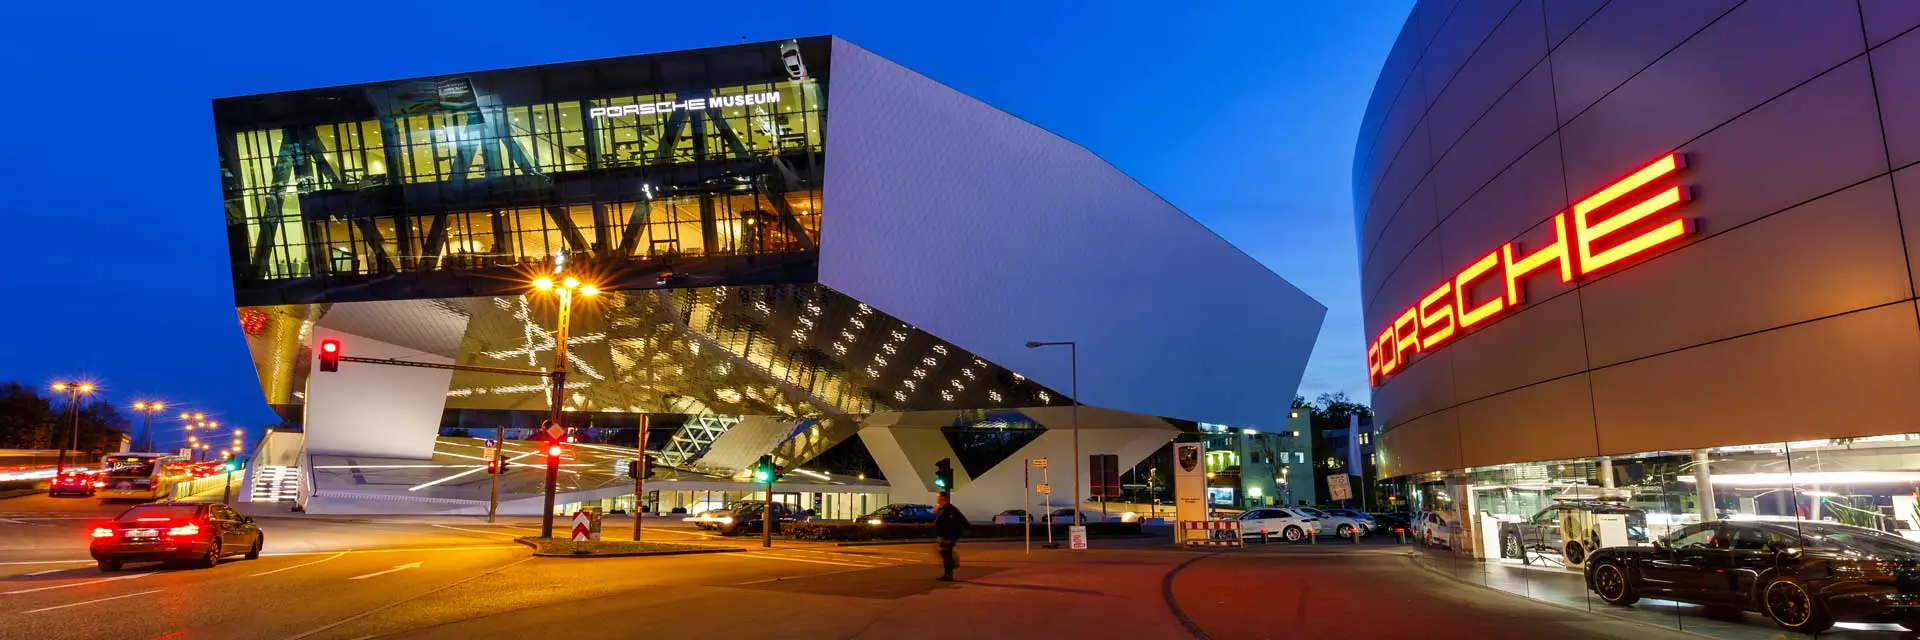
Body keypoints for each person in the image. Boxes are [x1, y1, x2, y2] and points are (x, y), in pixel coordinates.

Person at [933, 492, 969, 581]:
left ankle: (949, 573)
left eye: (938, 497)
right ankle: (949, 571)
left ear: (943, 498)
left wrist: (950, 537)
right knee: (944, 553)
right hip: (944, 536)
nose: (937, 498)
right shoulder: (942, 509)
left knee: (946, 554)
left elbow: (952, 524)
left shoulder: (950, 509)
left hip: (948, 536)